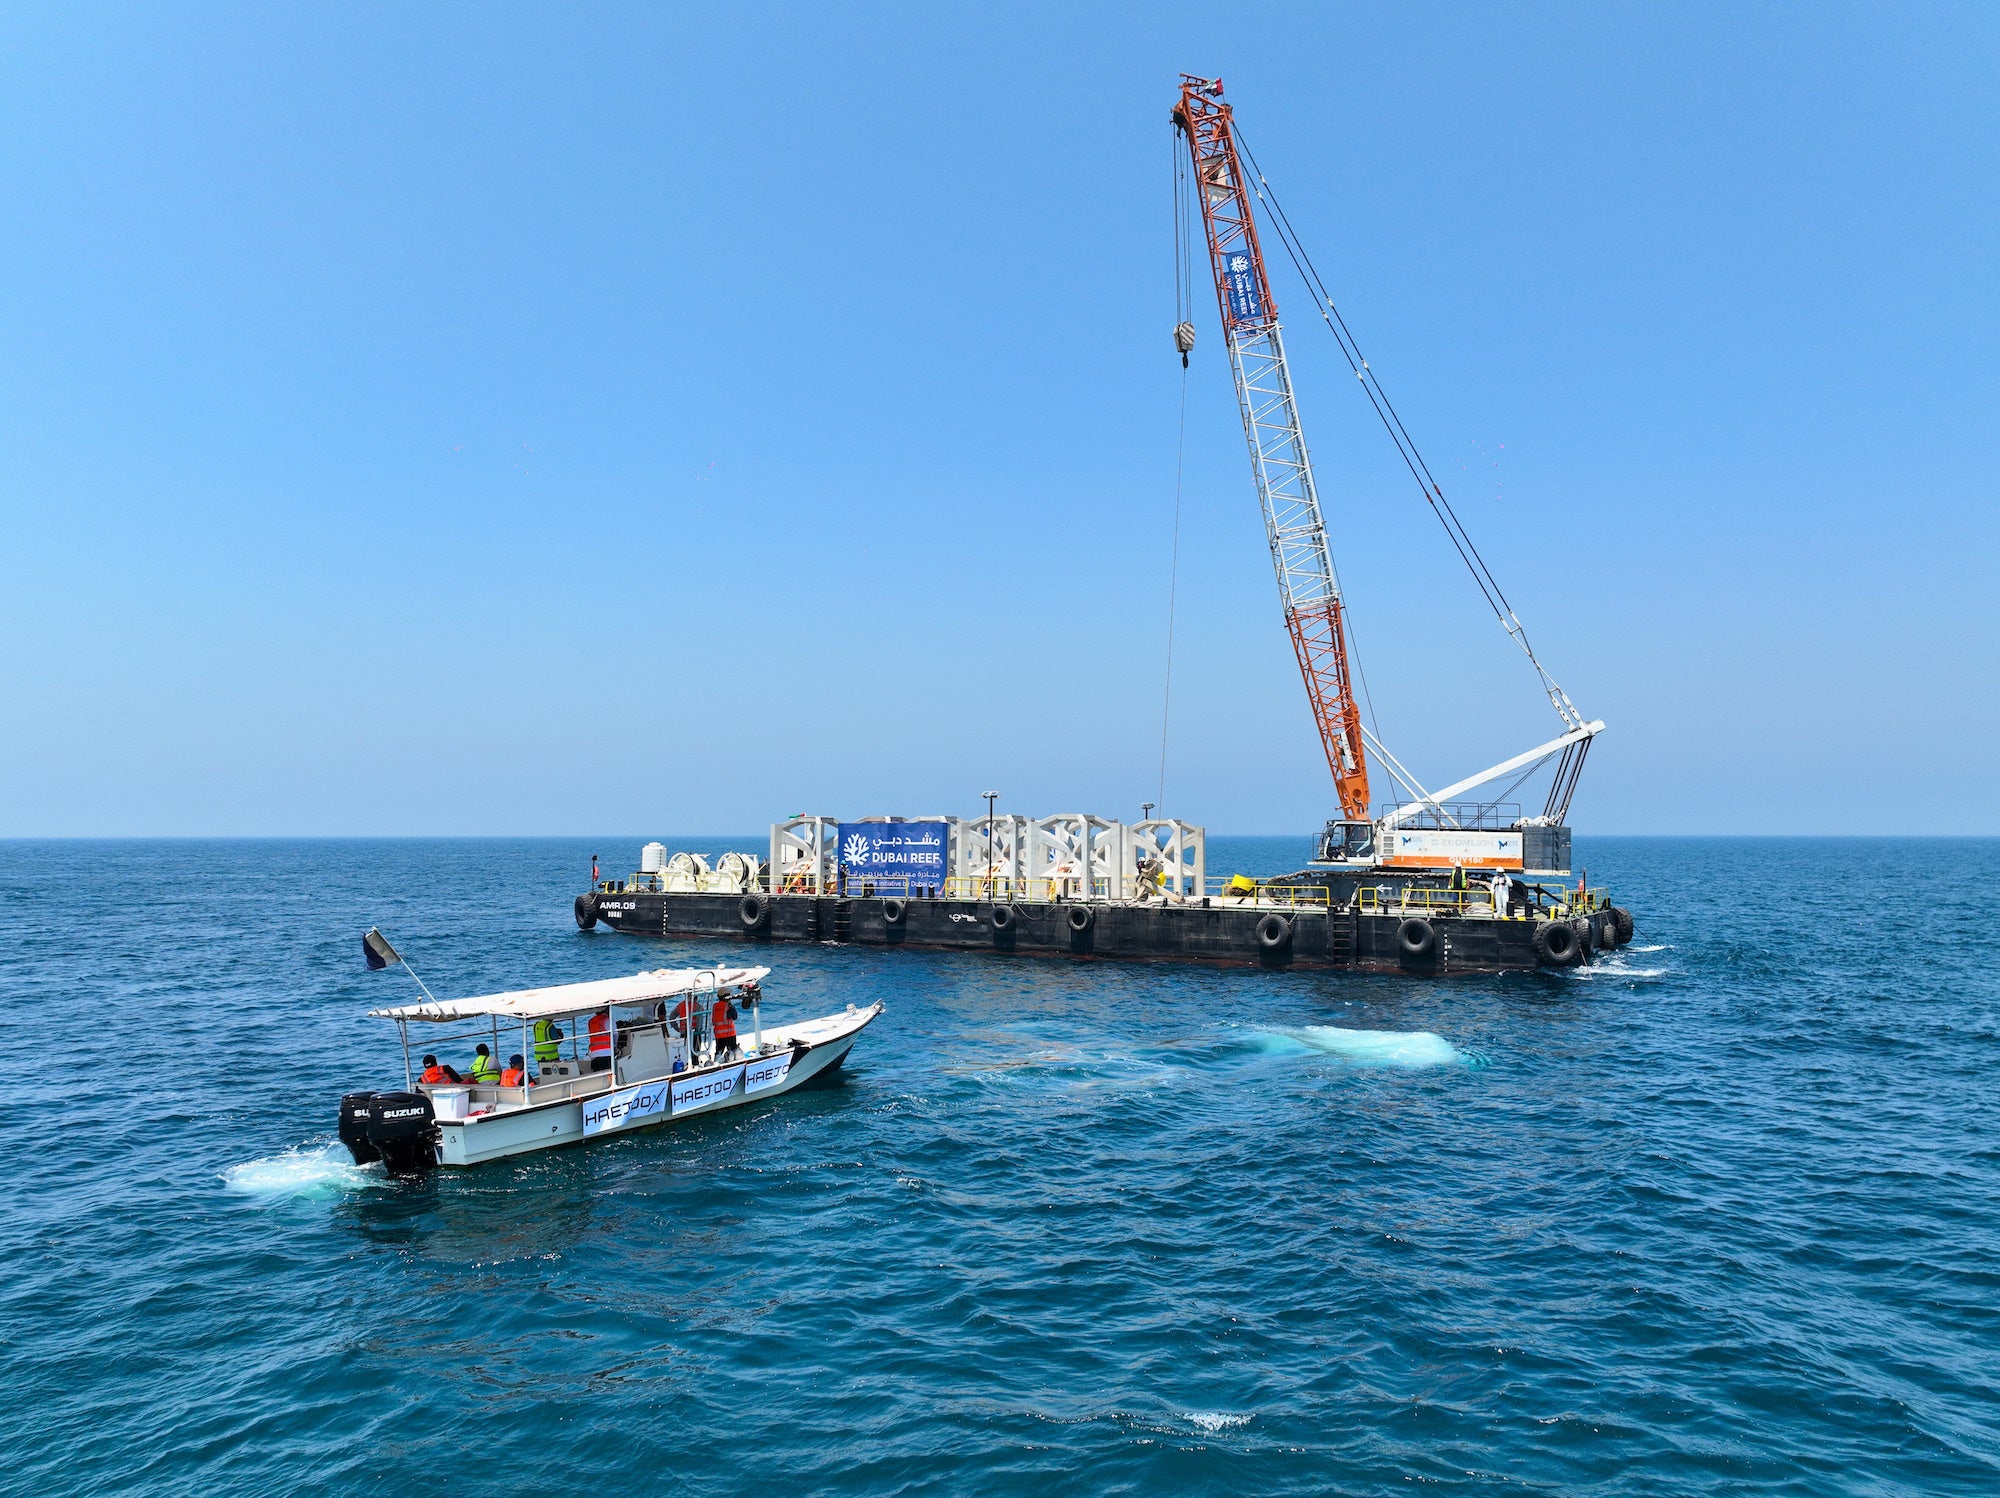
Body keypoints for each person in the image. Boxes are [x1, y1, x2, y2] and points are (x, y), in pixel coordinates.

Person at [711, 993, 740, 1062]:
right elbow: (735, 1017)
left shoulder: (714, 1006)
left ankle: (716, 1062)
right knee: (733, 1051)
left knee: (719, 1051)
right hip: (729, 1033)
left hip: (718, 1034)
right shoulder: (729, 1006)